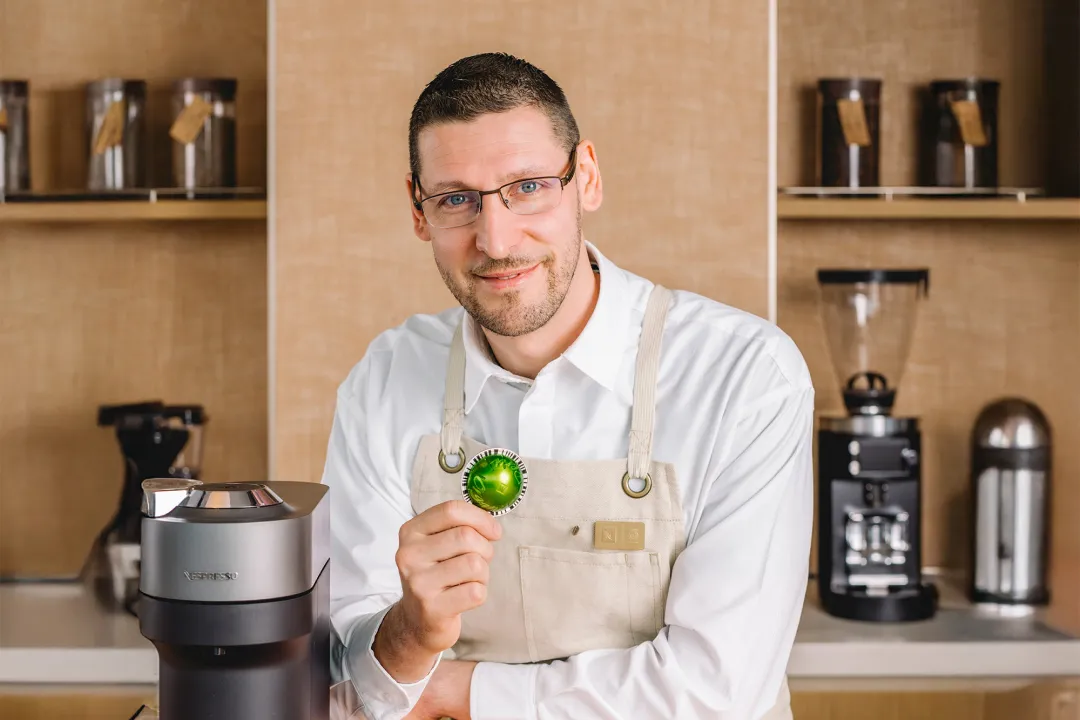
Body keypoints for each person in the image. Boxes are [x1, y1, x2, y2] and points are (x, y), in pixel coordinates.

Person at [324, 52, 814, 720]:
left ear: (585, 177)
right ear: (419, 211)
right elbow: (345, 689)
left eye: (527, 187)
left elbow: (716, 694)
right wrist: (411, 635)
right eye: (456, 200)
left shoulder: (745, 376)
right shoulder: (383, 382)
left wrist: (457, 690)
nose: (495, 240)